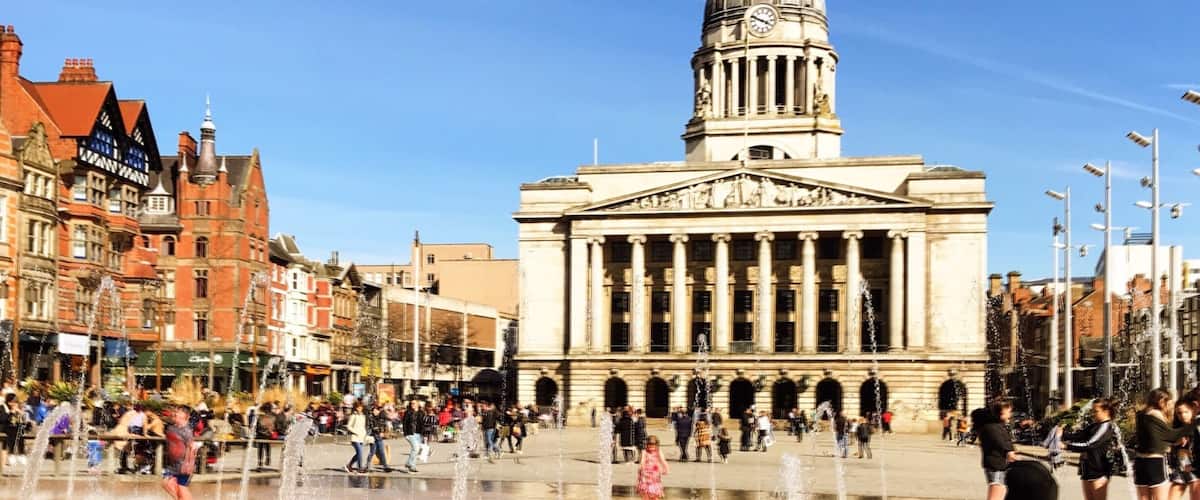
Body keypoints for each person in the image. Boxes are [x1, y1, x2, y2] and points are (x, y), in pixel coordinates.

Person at [1136, 389, 1199, 500]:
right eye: (1179, 413)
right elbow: (1170, 437)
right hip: (1161, 463)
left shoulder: (1142, 415)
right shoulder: (1157, 415)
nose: (1182, 415)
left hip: (1142, 461)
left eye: (1185, 412)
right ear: (1161, 401)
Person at [1061, 398, 1117, 500]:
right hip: (1087, 469)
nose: (1093, 414)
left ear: (1106, 411)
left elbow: (1090, 445)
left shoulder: (1106, 427)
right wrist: (1063, 433)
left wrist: (1067, 446)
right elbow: (1078, 436)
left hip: (1099, 471)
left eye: (1096, 411)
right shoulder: (1094, 426)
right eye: (1092, 411)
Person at [976, 400, 1017, 500]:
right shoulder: (992, 427)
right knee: (997, 492)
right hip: (995, 465)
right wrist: (1009, 452)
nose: (1010, 415)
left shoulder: (996, 426)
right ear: (1001, 412)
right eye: (1008, 412)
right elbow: (1000, 442)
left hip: (998, 464)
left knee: (1000, 491)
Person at [161, 406, 197, 500]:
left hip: (183, 464)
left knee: (181, 487)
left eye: (179, 412)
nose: (175, 413)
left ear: (186, 416)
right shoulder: (172, 427)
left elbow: (192, 448)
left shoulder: (186, 431)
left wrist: (188, 464)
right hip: (173, 464)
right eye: (175, 412)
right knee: (166, 483)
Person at [636, 435, 670, 500]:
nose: (651, 446)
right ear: (646, 444)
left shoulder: (658, 451)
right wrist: (640, 469)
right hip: (645, 474)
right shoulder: (644, 452)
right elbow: (642, 461)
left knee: (655, 493)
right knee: (645, 492)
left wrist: (666, 469)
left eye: (653, 444)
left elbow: (663, 461)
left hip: (654, 475)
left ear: (656, 445)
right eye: (649, 444)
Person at [366, 404, 392, 472]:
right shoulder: (371, 418)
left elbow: (384, 425)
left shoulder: (381, 417)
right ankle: (368, 465)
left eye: (377, 410)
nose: (375, 411)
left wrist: (383, 432)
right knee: (372, 451)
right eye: (374, 410)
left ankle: (385, 466)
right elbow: (371, 427)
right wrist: (379, 431)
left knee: (381, 451)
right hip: (373, 436)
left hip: (379, 437)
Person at [345, 402, 367, 474]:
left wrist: (364, 433)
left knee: (358, 453)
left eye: (361, 407)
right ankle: (360, 467)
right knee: (360, 452)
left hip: (361, 437)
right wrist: (356, 432)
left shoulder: (363, 416)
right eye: (358, 407)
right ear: (356, 408)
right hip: (355, 437)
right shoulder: (353, 416)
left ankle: (349, 465)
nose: (360, 409)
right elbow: (349, 426)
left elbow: (363, 426)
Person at [402, 399, 423, 473]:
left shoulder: (421, 412)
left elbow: (423, 423)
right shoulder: (408, 412)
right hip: (410, 433)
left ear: (418, 404)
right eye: (411, 403)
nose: (412, 405)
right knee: (415, 448)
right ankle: (409, 463)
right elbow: (404, 423)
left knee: (416, 450)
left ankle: (412, 466)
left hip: (418, 433)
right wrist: (405, 433)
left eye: (414, 403)